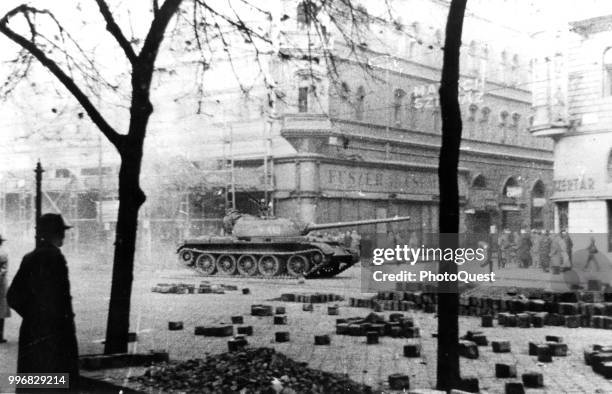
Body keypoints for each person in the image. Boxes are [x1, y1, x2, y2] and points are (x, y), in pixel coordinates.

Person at [7, 213, 79, 390]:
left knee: (34, 383)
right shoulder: (56, 258)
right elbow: (61, 300)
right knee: (57, 383)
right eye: (61, 231)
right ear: (55, 234)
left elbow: (13, 296)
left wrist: (33, 316)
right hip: (56, 334)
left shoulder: (29, 258)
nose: (63, 236)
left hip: (32, 333)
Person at [0, 234, 9, 343]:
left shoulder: (2, 254)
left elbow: (3, 269)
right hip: (1, 284)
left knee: (1, 311)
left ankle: (0, 335)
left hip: (0, 284)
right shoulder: (3, 253)